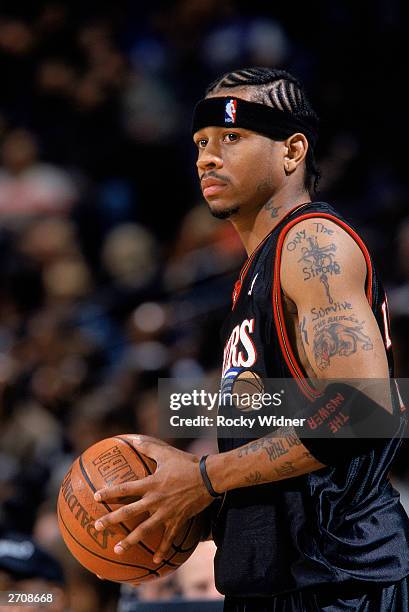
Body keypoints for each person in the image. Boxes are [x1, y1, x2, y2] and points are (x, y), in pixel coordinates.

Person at [92, 68, 409, 611]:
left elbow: (363, 407)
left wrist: (203, 477)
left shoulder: (313, 244)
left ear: (292, 151)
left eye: (231, 138)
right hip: (282, 578)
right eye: (200, 143)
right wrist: (188, 495)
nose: (207, 158)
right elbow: (281, 422)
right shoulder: (253, 273)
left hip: (343, 582)